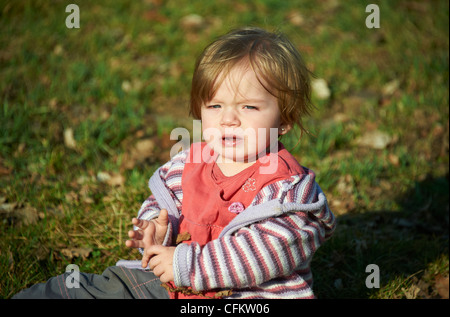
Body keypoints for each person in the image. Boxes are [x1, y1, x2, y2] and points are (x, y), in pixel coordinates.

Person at [13, 27, 336, 299]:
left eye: (249, 107)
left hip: (247, 297)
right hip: (171, 285)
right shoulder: (190, 163)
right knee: (82, 289)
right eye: (215, 106)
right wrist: (155, 227)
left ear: (284, 121)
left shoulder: (288, 192)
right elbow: (161, 202)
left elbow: (267, 252)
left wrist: (188, 264)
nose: (228, 119)